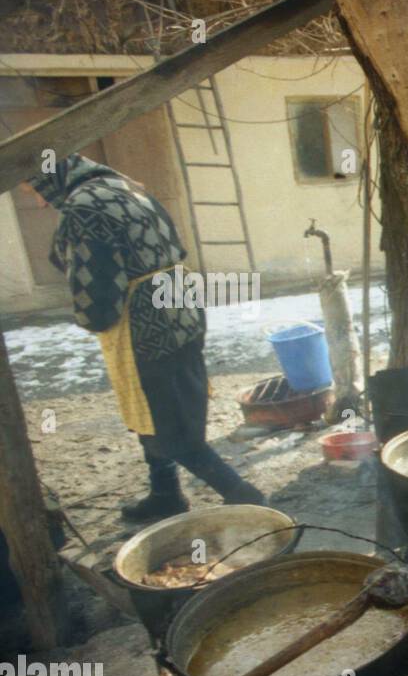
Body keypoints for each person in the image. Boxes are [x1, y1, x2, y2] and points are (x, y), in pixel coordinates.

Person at [25, 155, 264, 523]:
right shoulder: (126, 188)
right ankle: (165, 493)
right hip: (180, 307)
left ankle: (245, 496)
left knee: (167, 421)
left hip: (146, 324)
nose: (37, 200)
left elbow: (95, 281)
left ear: (48, 180)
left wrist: (94, 319)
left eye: (34, 189)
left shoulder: (82, 207)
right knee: (160, 412)